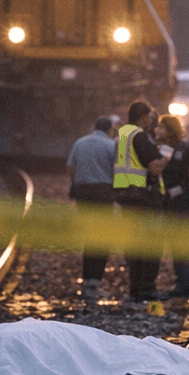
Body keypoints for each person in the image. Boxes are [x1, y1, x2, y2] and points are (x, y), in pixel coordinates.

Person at [112, 100, 168, 300]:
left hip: (126, 197)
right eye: (149, 118)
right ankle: (147, 288)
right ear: (144, 117)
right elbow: (155, 166)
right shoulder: (140, 136)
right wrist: (167, 157)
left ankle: (135, 288)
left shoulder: (123, 134)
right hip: (143, 199)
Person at [66, 116, 117, 293]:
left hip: (83, 193)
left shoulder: (80, 143)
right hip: (103, 193)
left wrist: (76, 182)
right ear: (110, 129)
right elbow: (116, 170)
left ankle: (87, 281)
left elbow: (71, 167)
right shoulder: (111, 145)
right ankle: (94, 282)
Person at [156, 113, 189, 296]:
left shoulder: (181, 147)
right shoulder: (164, 148)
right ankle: (187, 281)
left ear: (169, 129)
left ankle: (187, 283)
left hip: (180, 201)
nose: (158, 130)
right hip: (170, 201)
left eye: (161, 127)